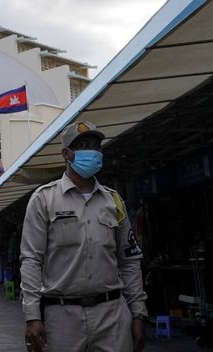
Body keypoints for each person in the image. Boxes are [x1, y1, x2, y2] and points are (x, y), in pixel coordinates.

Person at [20, 121, 147, 352]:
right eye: (83, 145)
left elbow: (129, 260)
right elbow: (31, 260)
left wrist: (138, 312)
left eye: (96, 146)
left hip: (113, 315)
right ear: (66, 154)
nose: (92, 151)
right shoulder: (44, 199)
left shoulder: (114, 201)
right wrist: (32, 316)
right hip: (62, 317)